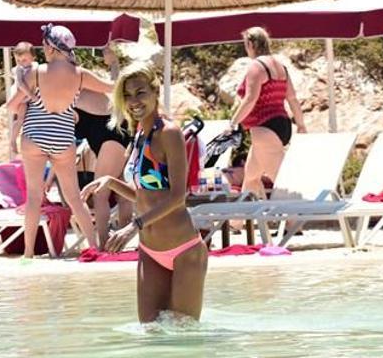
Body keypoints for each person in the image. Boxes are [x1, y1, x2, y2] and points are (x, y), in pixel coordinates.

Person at [81, 64, 208, 322]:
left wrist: (133, 226)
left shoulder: (169, 133)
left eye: (140, 92)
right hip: (150, 251)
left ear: (155, 91)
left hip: (184, 250)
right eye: (127, 95)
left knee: (183, 334)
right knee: (150, 331)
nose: (133, 101)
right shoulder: (139, 133)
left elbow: (177, 196)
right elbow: (143, 194)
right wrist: (110, 182)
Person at [6, 24, 113, 258]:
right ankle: (94, 247)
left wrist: (29, 99)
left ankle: (28, 254)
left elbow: (12, 105)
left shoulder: (36, 72)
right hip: (63, 138)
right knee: (74, 198)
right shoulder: (81, 74)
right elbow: (112, 87)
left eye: (44, 45)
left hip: (34, 137)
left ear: (51, 47)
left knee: (34, 197)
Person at [227, 27, 306, 198]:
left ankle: (300, 215)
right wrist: (300, 124)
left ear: (251, 44)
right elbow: (292, 98)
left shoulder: (256, 66)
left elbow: (250, 99)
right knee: (251, 178)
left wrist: (233, 123)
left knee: (283, 183)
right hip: (282, 124)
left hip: (264, 127)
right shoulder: (281, 68)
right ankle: (242, 214)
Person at [74, 43, 133, 244]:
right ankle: (120, 242)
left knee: (100, 193)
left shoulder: (75, 90)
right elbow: (116, 87)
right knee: (122, 193)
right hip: (118, 135)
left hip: (111, 137)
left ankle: (103, 244)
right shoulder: (82, 89)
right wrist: (113, 63)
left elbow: (116, 87)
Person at [9, 41, 38, 158]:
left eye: (24, 60)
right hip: (21, 97)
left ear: (33, 57)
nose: (21, 63)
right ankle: (12, 140)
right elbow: (20, 84)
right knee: (20, 119)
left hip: (29, 97)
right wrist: (31, 95)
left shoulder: (35, 66)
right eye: (18, 60)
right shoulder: (18, 70)